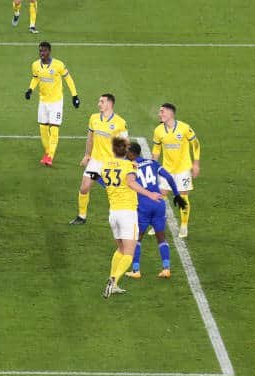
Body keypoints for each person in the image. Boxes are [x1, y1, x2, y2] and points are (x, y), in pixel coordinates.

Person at [96, 137, 163, 299]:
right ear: (125, 151)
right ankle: (113, 281)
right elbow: (132, 183)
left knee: (120, 249)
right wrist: (150, 194)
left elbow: (101, 180)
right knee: (129, 253)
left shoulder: (105, 165)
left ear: (113, 150)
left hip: (114, 214)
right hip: (127, 213)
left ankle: (114, 283)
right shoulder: (129, 166)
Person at [124, 142, 187, 279]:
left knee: (137, 238)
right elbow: (169, 177)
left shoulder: (129, 165)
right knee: (161, 237)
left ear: (132, 153)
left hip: (143, 205)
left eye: (127, 151)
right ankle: (166, 269)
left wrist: (98, 178)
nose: (125, 153)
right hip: (158, 203)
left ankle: (136, 270)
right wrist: (176, 195)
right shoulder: (152, 162)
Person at [69, 93, 128, 225]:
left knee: (115, 194)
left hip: (111, 163)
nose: (99, 104)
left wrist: (122, 163)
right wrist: (87, 155)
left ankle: (121, 217)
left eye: (101, 101)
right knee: (84, 188)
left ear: (109, 104)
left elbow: (125, 145)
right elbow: (90, 138)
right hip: (95, 162)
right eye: (99, 101)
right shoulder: (94, 118)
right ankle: (81, 216)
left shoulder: (120, 122)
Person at [25, 41, 79, 166]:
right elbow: (35, 78)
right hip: (43, 101)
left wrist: (74, 95)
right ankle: (48, 152)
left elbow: (68, 79)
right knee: (43, 128)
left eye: (44, 51)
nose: (41, 53)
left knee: (54, 128)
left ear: (49, 51)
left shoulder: (58, 65)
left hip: (56, 102)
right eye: (40, 51)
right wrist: (30, 89)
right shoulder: (35, 65)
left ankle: (50, 156)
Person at [152, 103, 200, 238]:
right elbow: (156, 149)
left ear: (170, 113)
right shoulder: (158, 130)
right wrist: (153, 165)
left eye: (162, 112)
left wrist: (196, 164)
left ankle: (184, 225)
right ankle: (157, 224)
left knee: (182, 196)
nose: (159, 114)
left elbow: (195, 144)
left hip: (183, 169)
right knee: (160, 195)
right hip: (167, 169)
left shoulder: (184, 128)